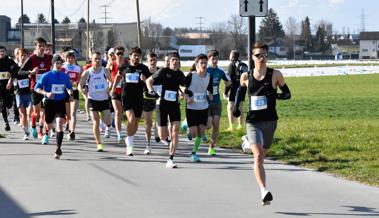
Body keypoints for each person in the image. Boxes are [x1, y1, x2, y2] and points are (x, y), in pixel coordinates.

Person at [234, 42, 291, 206]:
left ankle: (248, 141)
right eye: (258, 55)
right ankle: (264, 191)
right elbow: (240, 91)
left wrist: (275, 97)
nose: (262, 58)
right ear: (252, 58)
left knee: (262, 156)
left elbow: (287, 94)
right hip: (253, 121)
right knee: (258, 156)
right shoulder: (246, 76)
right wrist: (237, 108)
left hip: (270, 121)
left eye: (264, 55)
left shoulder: (276, 75)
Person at [146, 52, 186, 168]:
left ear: (179, 62)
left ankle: (171, 159)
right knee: (162, 136)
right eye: (172, 60)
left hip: (174, 105)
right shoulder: (163, 71)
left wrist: (183, 92)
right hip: (162, 104)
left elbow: (183, 85)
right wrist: (151, 91)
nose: (174, 62)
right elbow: (149, 81)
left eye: (176, 60)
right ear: (169, 61)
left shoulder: (180, 74)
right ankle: (159, 129)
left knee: (175, 131)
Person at [111, 47, 149, 156]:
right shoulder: (125, 67)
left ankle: (129, 138)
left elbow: (149, 82)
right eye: (134, 55)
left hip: (138, 98)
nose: (136, 57)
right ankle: (130, 146)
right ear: (130, 56)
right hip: (126, 96)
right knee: (131, 119)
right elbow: (118, 77)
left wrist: (145, 80)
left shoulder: (143, 68)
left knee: (136, 122)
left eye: (138, 56)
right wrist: (113, 89)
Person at [34, 55, 74, 159]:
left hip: (60, 102)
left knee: (60, 123)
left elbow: (69, 87)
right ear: (52, 64)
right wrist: (46, 93)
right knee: (49, 125)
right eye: (57, 63)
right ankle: (47, 132)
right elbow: (36, 88)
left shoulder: (64, 76)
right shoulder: (46, 75)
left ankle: (58, 148)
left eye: (60, 63)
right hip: (49, 103)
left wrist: (70, 94)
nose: (59, 65)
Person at [79, 52, 113, 152]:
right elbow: (80, 85)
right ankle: (99, 143)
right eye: (95, 59)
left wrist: (110, 87)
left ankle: (107, 126)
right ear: (91, 60)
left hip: (104, 99)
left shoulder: (105, 71)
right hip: (92, 99)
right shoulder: (87, 72)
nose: (97, 61)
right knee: (96, 122)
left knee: (108, 120)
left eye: (99, 59)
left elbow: (111, 81)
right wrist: (83, 90)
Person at [184, 54, 213, 162]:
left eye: (205, 63)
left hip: (203, 107)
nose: (204, 65)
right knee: (194, 133)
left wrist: (210, 94)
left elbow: (210, 89)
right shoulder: (191, 76)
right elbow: (183, 88)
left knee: (201, 131)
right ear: (197, 65)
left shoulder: (209, 76)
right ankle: (185, 125)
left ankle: (194, 153)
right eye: (201, 63)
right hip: (191, 108)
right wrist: (187, 97)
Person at [22, 37, 52, 139]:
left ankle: (41, 131)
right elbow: (20, 72)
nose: (42, 48)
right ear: (36, 47)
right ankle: (33, 125)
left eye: (43, 46)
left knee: (45, 112)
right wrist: (31, 72)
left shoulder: (49, 58)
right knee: (37, 113)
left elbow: (59, 66)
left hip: (47, 89)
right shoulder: (31, 58)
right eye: (39, 46)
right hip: (35, 88)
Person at [206, 50, 231, 155]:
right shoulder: (205, 69)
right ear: (209, 59)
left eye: (216, 59)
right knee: (208, 125)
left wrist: (226, 91)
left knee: (216, 125)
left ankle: (211, 147)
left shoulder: (221, 71)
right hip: (205, 101)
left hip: (216, 100)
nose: (215, 61)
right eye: (213, 59)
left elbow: (228, 81)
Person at [9, 48, 32, 140]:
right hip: (19, 94)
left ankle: (31, 125)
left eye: (25, 55)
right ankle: (26, 132)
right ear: (17, 56)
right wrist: (9, 83)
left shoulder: (29, 67)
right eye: (21, 55)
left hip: (29, 93)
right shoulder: (14, 67)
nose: (23, 57)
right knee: (23, 115)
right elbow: (12, 78)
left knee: (29, 113)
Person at [107, 46, 127, 143]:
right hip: (114, 91)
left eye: (121, 53)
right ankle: (119, 134)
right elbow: (105, 73)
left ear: (124, 54)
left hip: (125, 91)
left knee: (121, 112)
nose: (119, 55)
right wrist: (109, 82)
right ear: (115, 54)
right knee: (118, 111)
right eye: (117, 53)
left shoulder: (127, 64)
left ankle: (112, 123)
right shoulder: (112, 64)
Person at [61, 50, 82, 140]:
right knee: (68, 113)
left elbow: (80, 80)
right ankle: (68, 123)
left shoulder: (78, 68)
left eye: (72, 58)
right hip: (65, 92)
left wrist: (81, 87)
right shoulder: (63, 68)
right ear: (65, 59)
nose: (70, 59)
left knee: (73, 113)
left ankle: (72, 131)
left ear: (74, 59)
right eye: (68, 58)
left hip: (74, 91)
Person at [225, 50, 248, 131]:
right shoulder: (244, 65)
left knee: (230, 106)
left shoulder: (231, 65)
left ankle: (231, 126)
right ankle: (240, 125)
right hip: (242, 88)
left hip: (234, 88)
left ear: (231, 56)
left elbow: (229, 81)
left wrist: (225, 92)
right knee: (240, 106)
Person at [142, 52, 159, 154]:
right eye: (150, 60)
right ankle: (148, 145)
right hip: (147, 98)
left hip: (158, 99)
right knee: (148, 122)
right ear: (147, 61)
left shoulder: (160, 71)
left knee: (159, 119)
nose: (152, 62)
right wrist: (144, 81)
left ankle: (157, 129)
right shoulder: (144, 72)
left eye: (154, 60)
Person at [0, 46, 16, 131]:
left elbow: (15, 69)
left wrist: (11, 78)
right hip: (0, 87)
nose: (1, 53)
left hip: (8, 86)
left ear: (5, 52)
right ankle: (6, 122)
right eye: (0, 51)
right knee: (2, 105)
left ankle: (7, 109)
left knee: (9, 104)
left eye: (3, 51)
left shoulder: (9, 61)